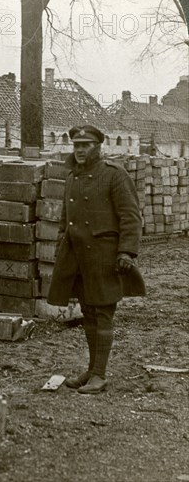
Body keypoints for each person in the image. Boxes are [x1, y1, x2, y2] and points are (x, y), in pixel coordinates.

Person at [47, 124, 145, 394]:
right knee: (88, 312)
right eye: (76, 146)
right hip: (78, 258)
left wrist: (127, 251)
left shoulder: (114, 175)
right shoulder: (72, 177)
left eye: (85, 145)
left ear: (98, 147)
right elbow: (65, 219)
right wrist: (60, 247)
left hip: (105, 257)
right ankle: (91, 371)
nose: (79, 151)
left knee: (102, 313)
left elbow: (130, 216)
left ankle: (100, 375)